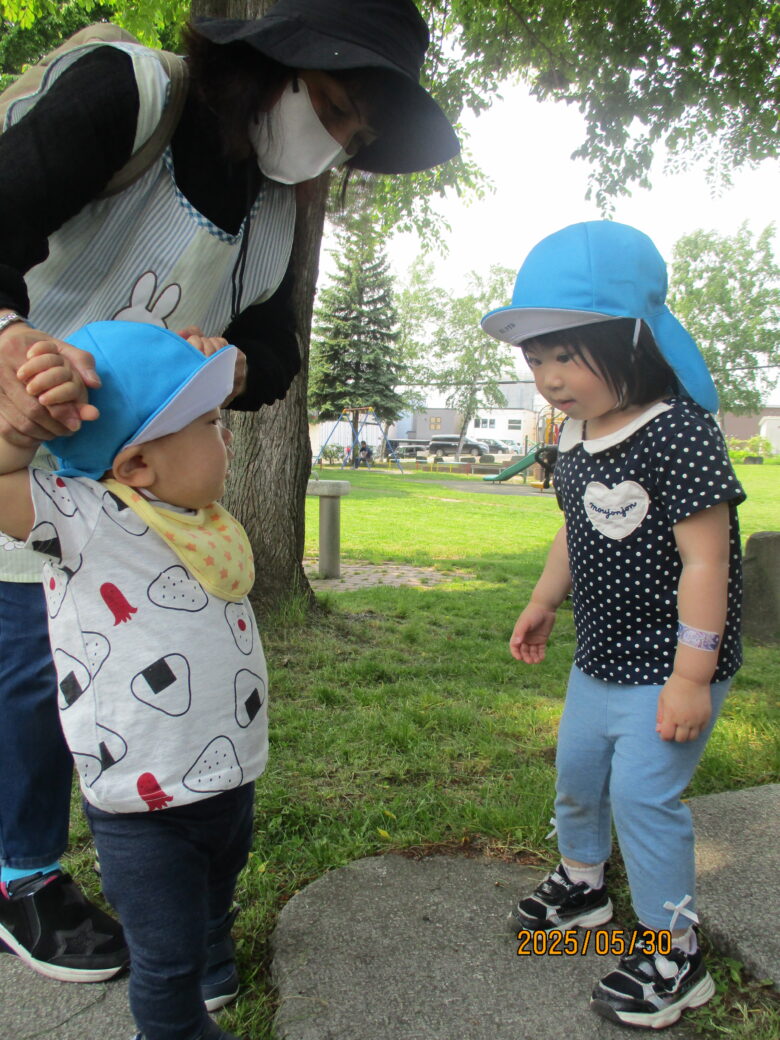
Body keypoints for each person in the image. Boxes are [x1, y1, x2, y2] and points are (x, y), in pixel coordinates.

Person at [0, 0, 459, 988]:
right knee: (29, 665)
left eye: (359, 135)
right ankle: (25, 873)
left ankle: (152, 852)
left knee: (105, 652)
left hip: (140, 476)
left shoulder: (269, 213)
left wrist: (235, 365)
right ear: (268, 61)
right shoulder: (130, 95)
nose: (335, 142)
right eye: (336, 106)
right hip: (19, 426)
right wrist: (7, 342)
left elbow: (279, 349)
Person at [481, 221, 745, 1030]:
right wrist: (542, 599)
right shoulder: (577, 435)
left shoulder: (679, 432)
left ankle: (677, 952)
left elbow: (710, 562)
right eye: (535, 359)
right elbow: (575, 526)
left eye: (566, 354)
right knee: (578, 774)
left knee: (644, 798)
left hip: (672, 664)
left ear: (633, 340)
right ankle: (584, 890)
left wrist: (692, 677)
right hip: (599, 658)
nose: (549, 378)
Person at [0, 320, 273, 1040]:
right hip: (143, 803)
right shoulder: (85, 520)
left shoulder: (196, 518)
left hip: (228, 776)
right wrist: (18, 431)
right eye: (210, 425)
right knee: (165, 956)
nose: (227, 437)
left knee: (218, 890)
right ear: (138, 467)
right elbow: (2, 479)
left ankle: (215, 953)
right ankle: (175, 1022)